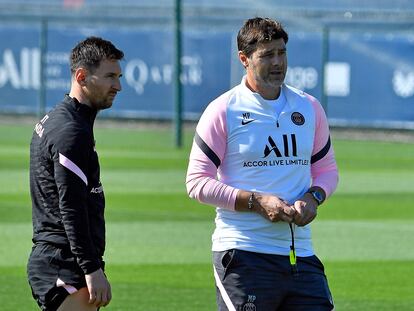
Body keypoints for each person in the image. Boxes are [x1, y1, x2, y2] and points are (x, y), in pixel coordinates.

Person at [186, 17, 338, 310]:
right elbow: (196, 182)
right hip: (243, 254)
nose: (277, 62)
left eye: (281, 52)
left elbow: (327, 171)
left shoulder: (308, 107)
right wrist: (256, 202)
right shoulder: (223, 110)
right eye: (267, 55)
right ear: (244, 59)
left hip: (301, 255)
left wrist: (314, 197)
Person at [28, 36, 123, 311]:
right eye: (110, 77)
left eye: (118, 76)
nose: (118, 85)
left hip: (57, 259)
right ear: (82, 76)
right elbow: (71, 207)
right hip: (64, 263)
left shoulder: (59, 119)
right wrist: (92, 269)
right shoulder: (72, 132)